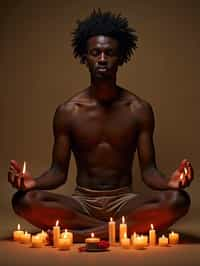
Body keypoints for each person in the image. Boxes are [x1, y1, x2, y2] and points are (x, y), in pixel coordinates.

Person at [8, 9, 193, 243]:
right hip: (82, 202)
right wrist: (32, 182)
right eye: (96, 53)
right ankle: (117, 230)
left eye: (109, 53)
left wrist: (170, 183)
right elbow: (58, 172)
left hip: (124, 200)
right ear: (85, 57)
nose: (103, 59)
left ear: (121, 58)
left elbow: (149, 172)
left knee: (178, 200)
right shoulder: (68, 111)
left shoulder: (138, 109)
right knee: (23, 201)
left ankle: (81, 234)